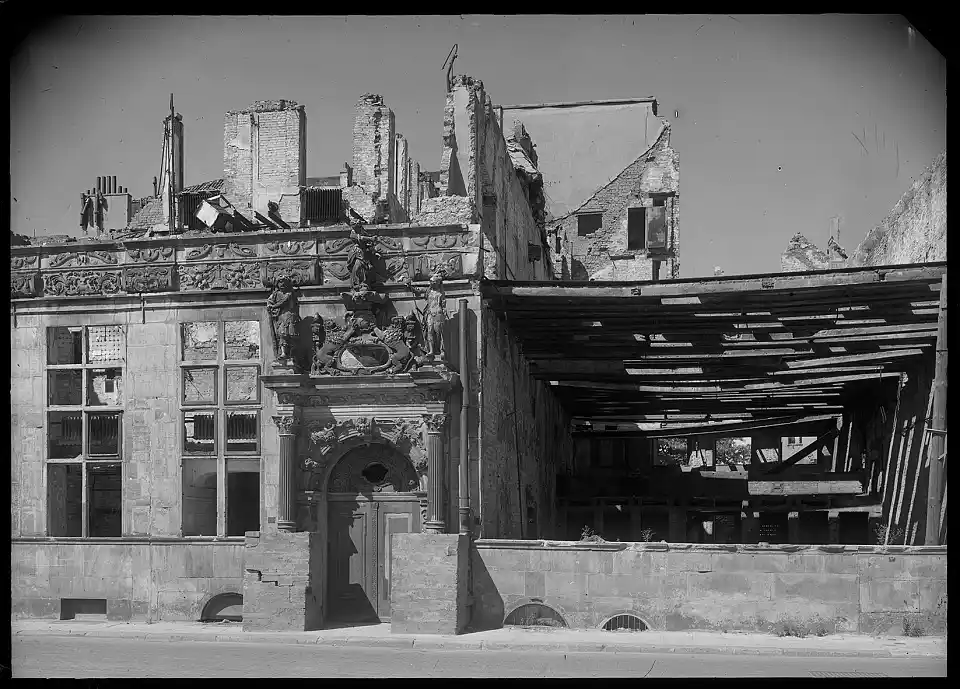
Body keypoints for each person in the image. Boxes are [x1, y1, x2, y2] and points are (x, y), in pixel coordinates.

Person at [267, 275, 300, 362]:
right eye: (280, 282)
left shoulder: (289, 294)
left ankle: (292, 353)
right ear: (277, 284)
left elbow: (284, 302)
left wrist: (273, 306)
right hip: (280, 316)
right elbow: (269, 302)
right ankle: (283, 353)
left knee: (291, 334)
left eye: (284, 283)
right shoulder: (275, 294)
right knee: (282, 334)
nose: (282, 284)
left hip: (290, 315)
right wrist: (270, 307)